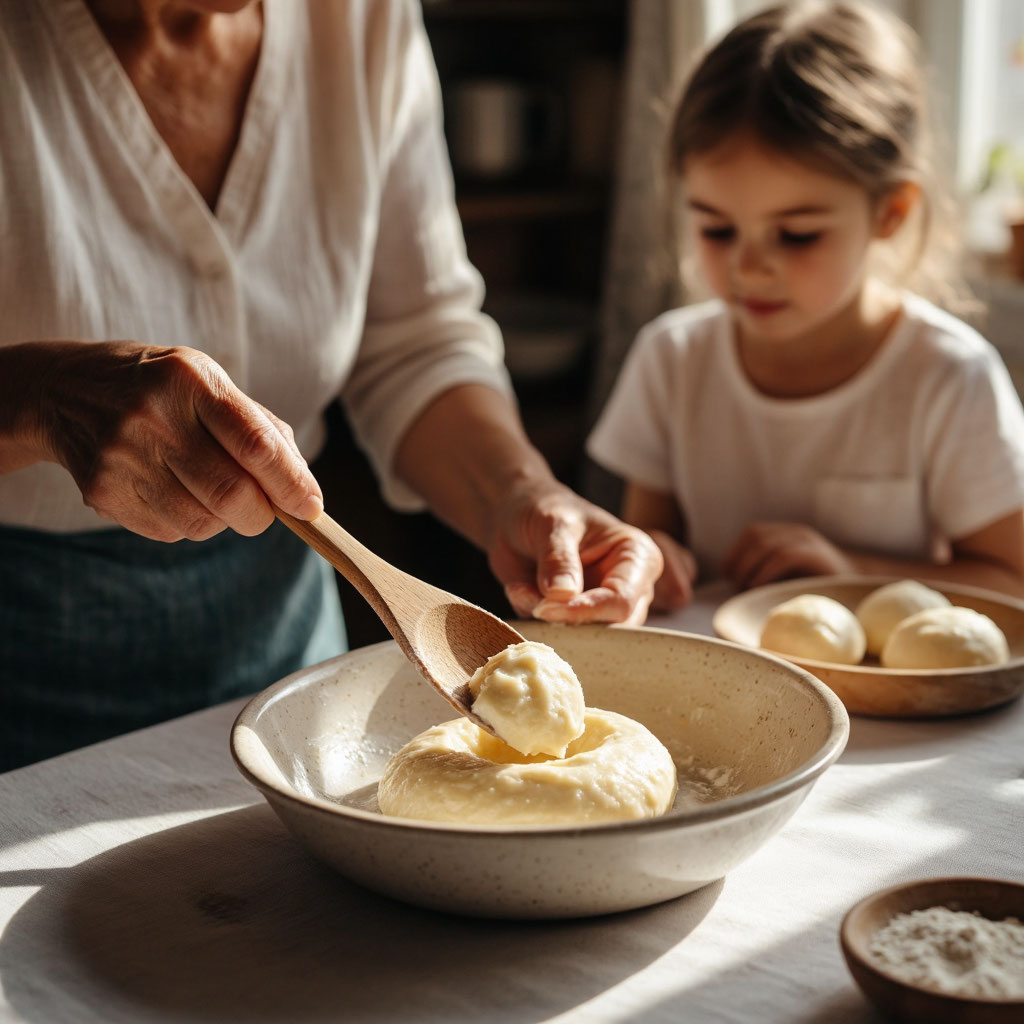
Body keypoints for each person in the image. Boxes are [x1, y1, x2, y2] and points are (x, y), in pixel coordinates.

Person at [0, 0, 662, 772]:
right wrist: (35, 399)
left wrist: (518, 491)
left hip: (288, 648)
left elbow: (411, 343)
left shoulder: (363, 16)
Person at [587, 0, 1024, 612]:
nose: (748, 268)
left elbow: (1013, 582)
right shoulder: (672, 359)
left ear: (890, 212)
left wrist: (854, 573)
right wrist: (650, 561)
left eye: (796, 235)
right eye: (717, 229)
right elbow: (649, 541)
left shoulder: (949, 378)